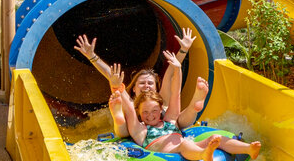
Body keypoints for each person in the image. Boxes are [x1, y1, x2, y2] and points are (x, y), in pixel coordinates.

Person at [114, 52, 261, 161]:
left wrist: (177, 70)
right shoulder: (140, 130)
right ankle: (203, 154)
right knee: (184, 145)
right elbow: (128, 107)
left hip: (186, 145)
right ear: (138, 112)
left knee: (215, 137)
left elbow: (175, 94)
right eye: (145, 112)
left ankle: (248, 149)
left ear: (161, 110)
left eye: (154, 111)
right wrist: (117, 87)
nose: (150, 115)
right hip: (174, 151)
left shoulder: (169, 120)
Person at [75, 28, 208, 133]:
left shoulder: (162, 98)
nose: (146, 86)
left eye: (150, 83)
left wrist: (183, 49)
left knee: (177, 118)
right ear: (133, 88)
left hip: (169, 128)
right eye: (142, 83)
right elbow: (110, 74)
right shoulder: (131, 103)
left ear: (156, 87)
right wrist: (92, 56)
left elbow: (171, 72)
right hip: (138, 131)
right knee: (124, 125)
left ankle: (193, 107)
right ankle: (119, 120)